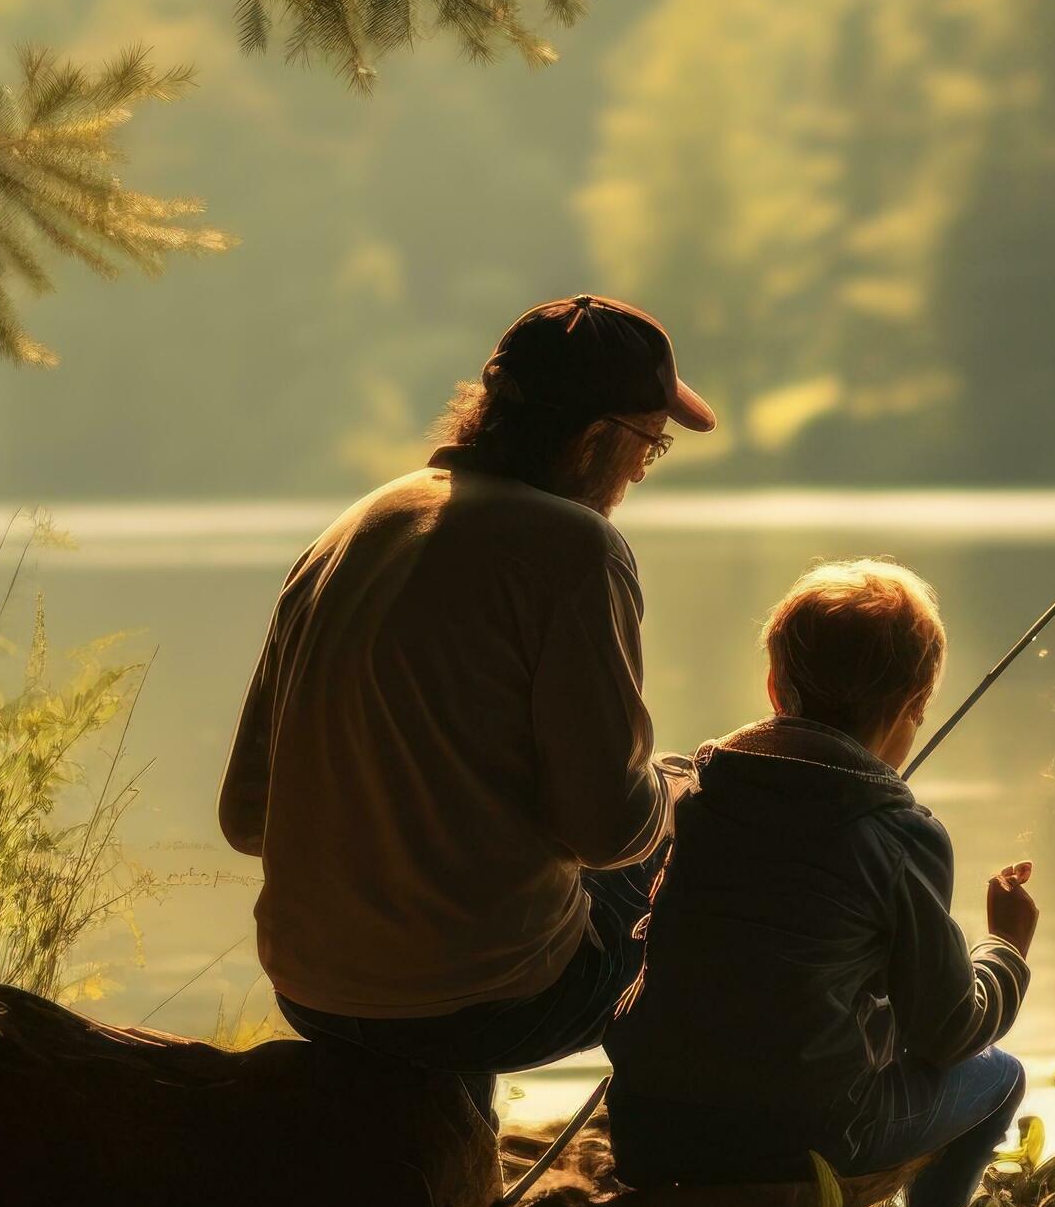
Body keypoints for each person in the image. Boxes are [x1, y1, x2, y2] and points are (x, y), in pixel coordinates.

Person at [219, 295, 716, 1120]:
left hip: (309, 989)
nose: (638, 473)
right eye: (647, 446)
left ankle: (447, 1151)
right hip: (487, 1009)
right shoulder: (575, 549)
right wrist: (684, 791)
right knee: (707, 850)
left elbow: (246, 817)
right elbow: (608, 831)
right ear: (593, 440)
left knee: (497, 892)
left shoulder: (356, 526)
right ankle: (687, 1155)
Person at [604, 560, 1037, 1207]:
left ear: (776, 687)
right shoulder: (898, 835)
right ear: (917, 705)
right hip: (802, 1143)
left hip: (650, 1131)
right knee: (999, 1075)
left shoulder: (693, 794)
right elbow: (948, 1030)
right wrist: (1005, 947)